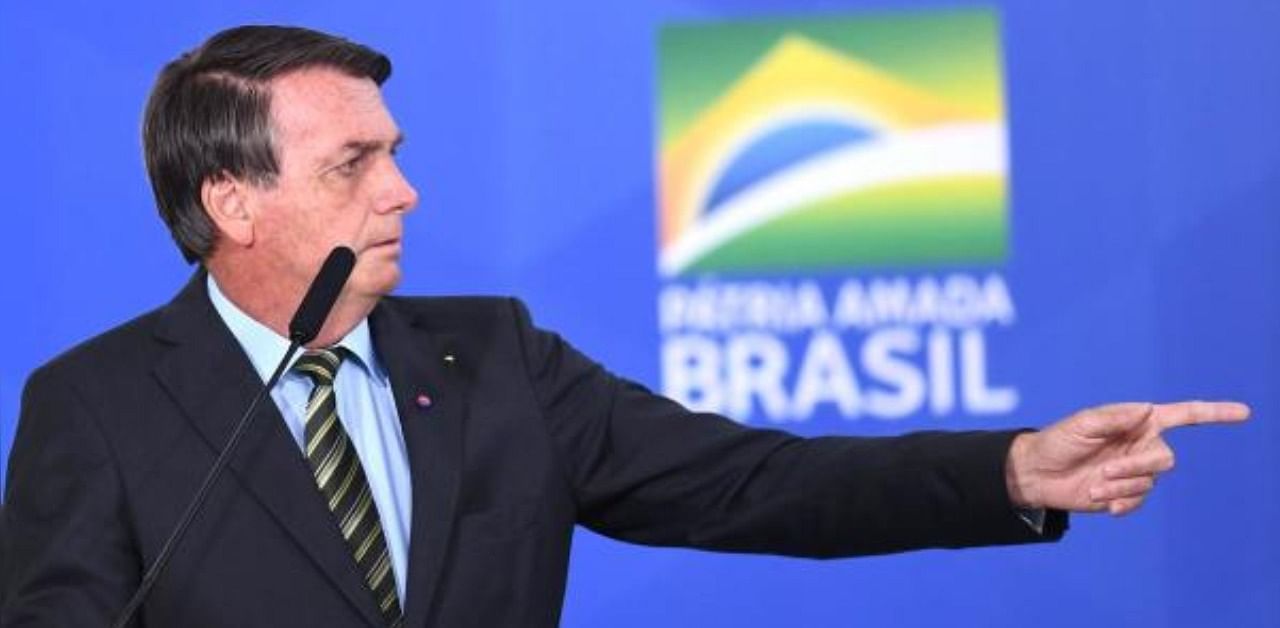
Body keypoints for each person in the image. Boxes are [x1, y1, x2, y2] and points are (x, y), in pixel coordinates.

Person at [0, 25, 1249, 628]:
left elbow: (757, 485)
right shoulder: (96, 405)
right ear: (232, 201)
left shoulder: (492, 357)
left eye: (397, 154)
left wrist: (1011, 469)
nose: (401, 191)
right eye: (352, 164)